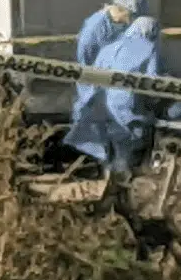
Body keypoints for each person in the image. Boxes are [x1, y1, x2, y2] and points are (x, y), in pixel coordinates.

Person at [64, 14, 162, 175]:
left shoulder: (110, 47)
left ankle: (110, 177)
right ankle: (123, 188)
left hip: (101, 109)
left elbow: (93, 77)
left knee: (109, 152)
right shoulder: (149, 47)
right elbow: (153, 84)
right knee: (128, 152)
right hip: (127, 110)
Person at [71, 0, 148, 129]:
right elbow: (85, 68)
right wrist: (92, 98)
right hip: (98, 91)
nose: (135, 19)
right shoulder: (93, 30)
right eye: (133, 14)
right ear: (122, 9)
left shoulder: (127, 26)